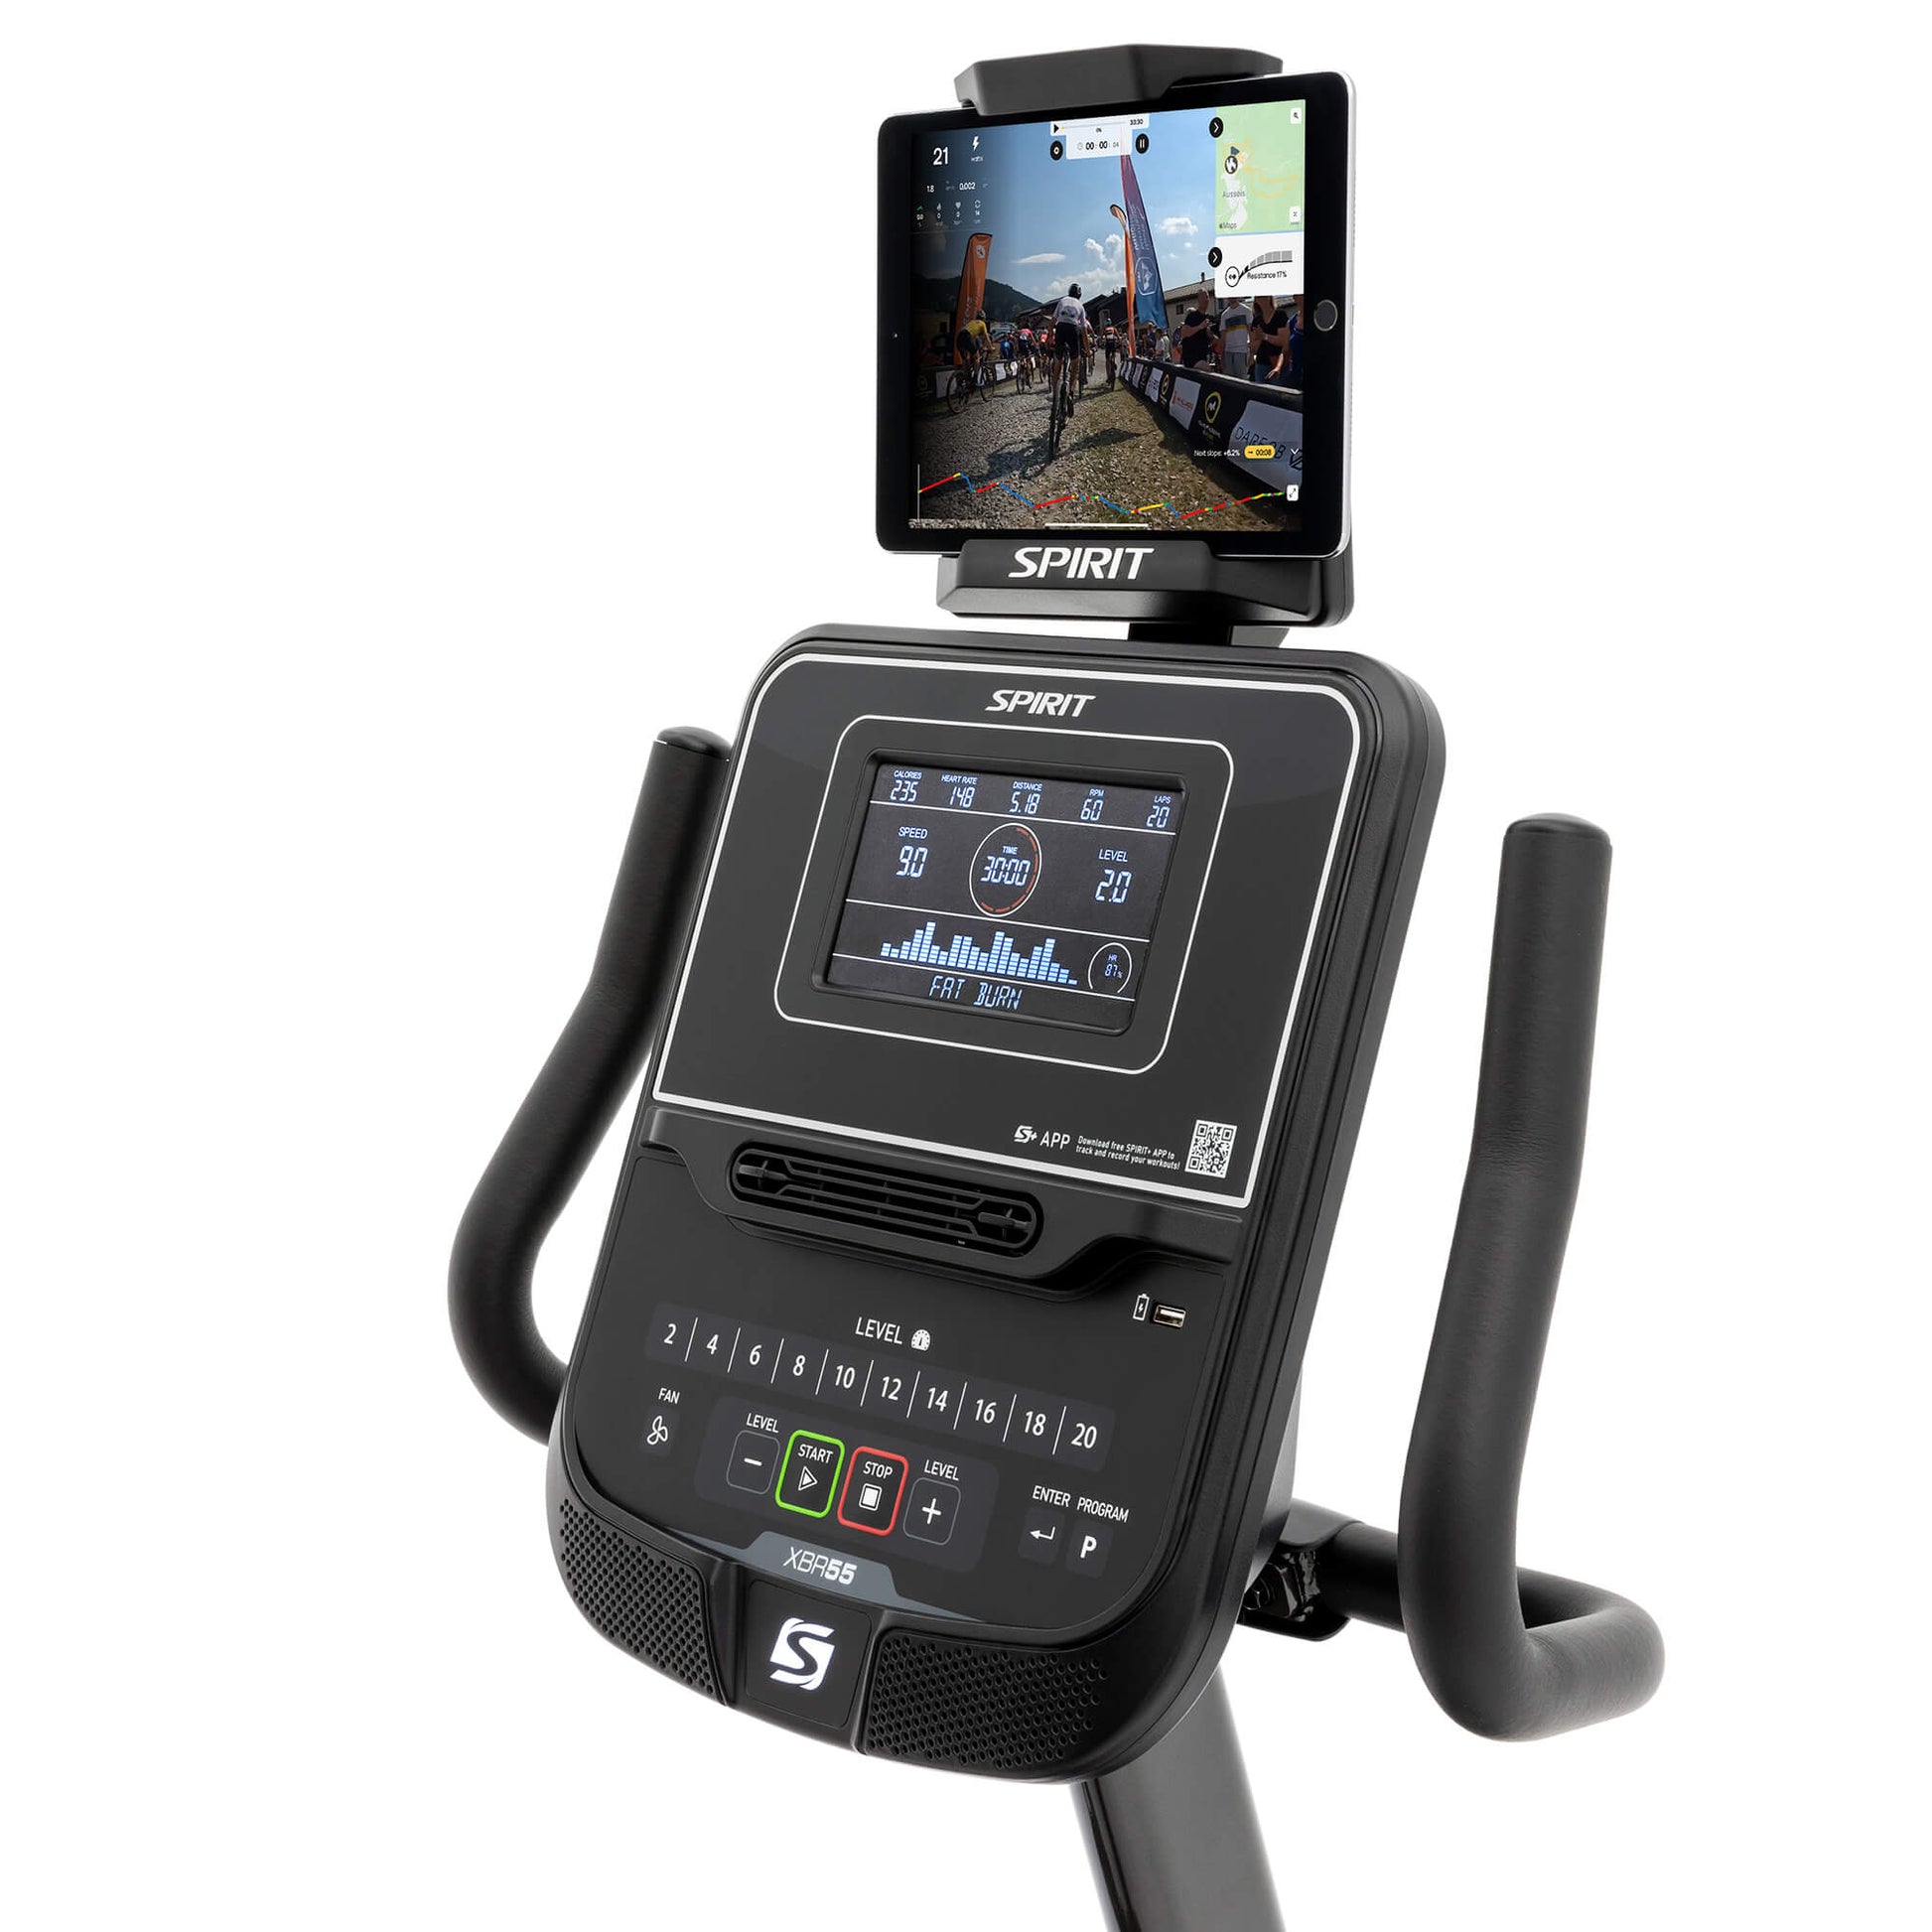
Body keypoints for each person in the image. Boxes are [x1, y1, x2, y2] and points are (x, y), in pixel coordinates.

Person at [1051, 283, 1088, 394]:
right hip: (1073, 329)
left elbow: (1052, 321)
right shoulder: (1081, 306)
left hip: (1060, 327)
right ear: (1079, 295)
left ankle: (1055, 393)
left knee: (1058, 361)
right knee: (1075, 361)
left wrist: (1049, 337)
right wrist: (1087, 350)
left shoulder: (1062, 300)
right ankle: (1071, 391)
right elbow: (1084, 330)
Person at [1252, 294, 1291, 384]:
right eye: (1258, 296)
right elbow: (1253, 347)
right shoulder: (1256, 320)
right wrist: (1259, 338)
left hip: (1278, 363)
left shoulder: (1280, 315)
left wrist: (1264, 336)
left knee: (1277, 391)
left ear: (1270, 297)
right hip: (1261, 363)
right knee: (1260, 392)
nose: (1261, 298)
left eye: (1264, 295)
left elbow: (1283, 341)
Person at [1175, 293, 1219, 369]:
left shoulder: (1210, 318)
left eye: (1207, 297)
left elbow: (1215, 340)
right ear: (1198, 300)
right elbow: (1184, 333)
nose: (1205, 300)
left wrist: (1211, 336)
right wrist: (1200, 327)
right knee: (1207, 370)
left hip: (1204, 356)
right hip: (1192, 359)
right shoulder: (1192, 316)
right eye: (1202, 297)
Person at [1218, 294, 1254, 379]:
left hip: (1242, 351)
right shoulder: (1224, 315)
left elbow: (1252, 333)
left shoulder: (1246, 311)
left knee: (1242, 381)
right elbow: (1223, 338)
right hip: (1228, 352)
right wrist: (1222, 358)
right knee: (1229, 380)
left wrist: (1252, 355)